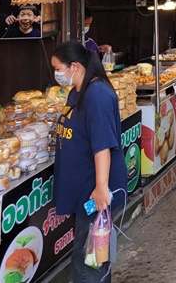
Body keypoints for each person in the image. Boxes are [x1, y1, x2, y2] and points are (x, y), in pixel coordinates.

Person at [51, 41, 128, 283]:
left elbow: (103, 145)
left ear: (74, 66)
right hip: (83, 184)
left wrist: (101, 187)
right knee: (93, 254)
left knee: (89, 260)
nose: (56, 74)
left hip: (95, 189)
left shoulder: (97, 95)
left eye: (57, 68)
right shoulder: (78, 90)